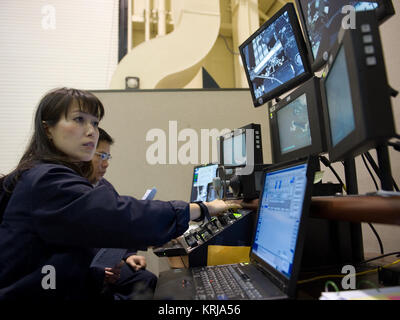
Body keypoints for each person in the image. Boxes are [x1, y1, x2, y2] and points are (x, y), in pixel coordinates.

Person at [0, 87, 239, 300]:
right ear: (48, 129)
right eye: (79, 120)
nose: (91, 131)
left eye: (95, 122)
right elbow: (121, 216)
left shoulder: (41, 174)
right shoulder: (47, 181)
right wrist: (204, 208)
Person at [89, 127, 157, 300]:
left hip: (106, 265)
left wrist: (128, 255)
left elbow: (120, 225)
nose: (106, 163)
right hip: (85, 271)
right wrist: (98, 271)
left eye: (107, 157)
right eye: (101, 156)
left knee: (147, 280)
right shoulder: (71, 191)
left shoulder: (104, 186)